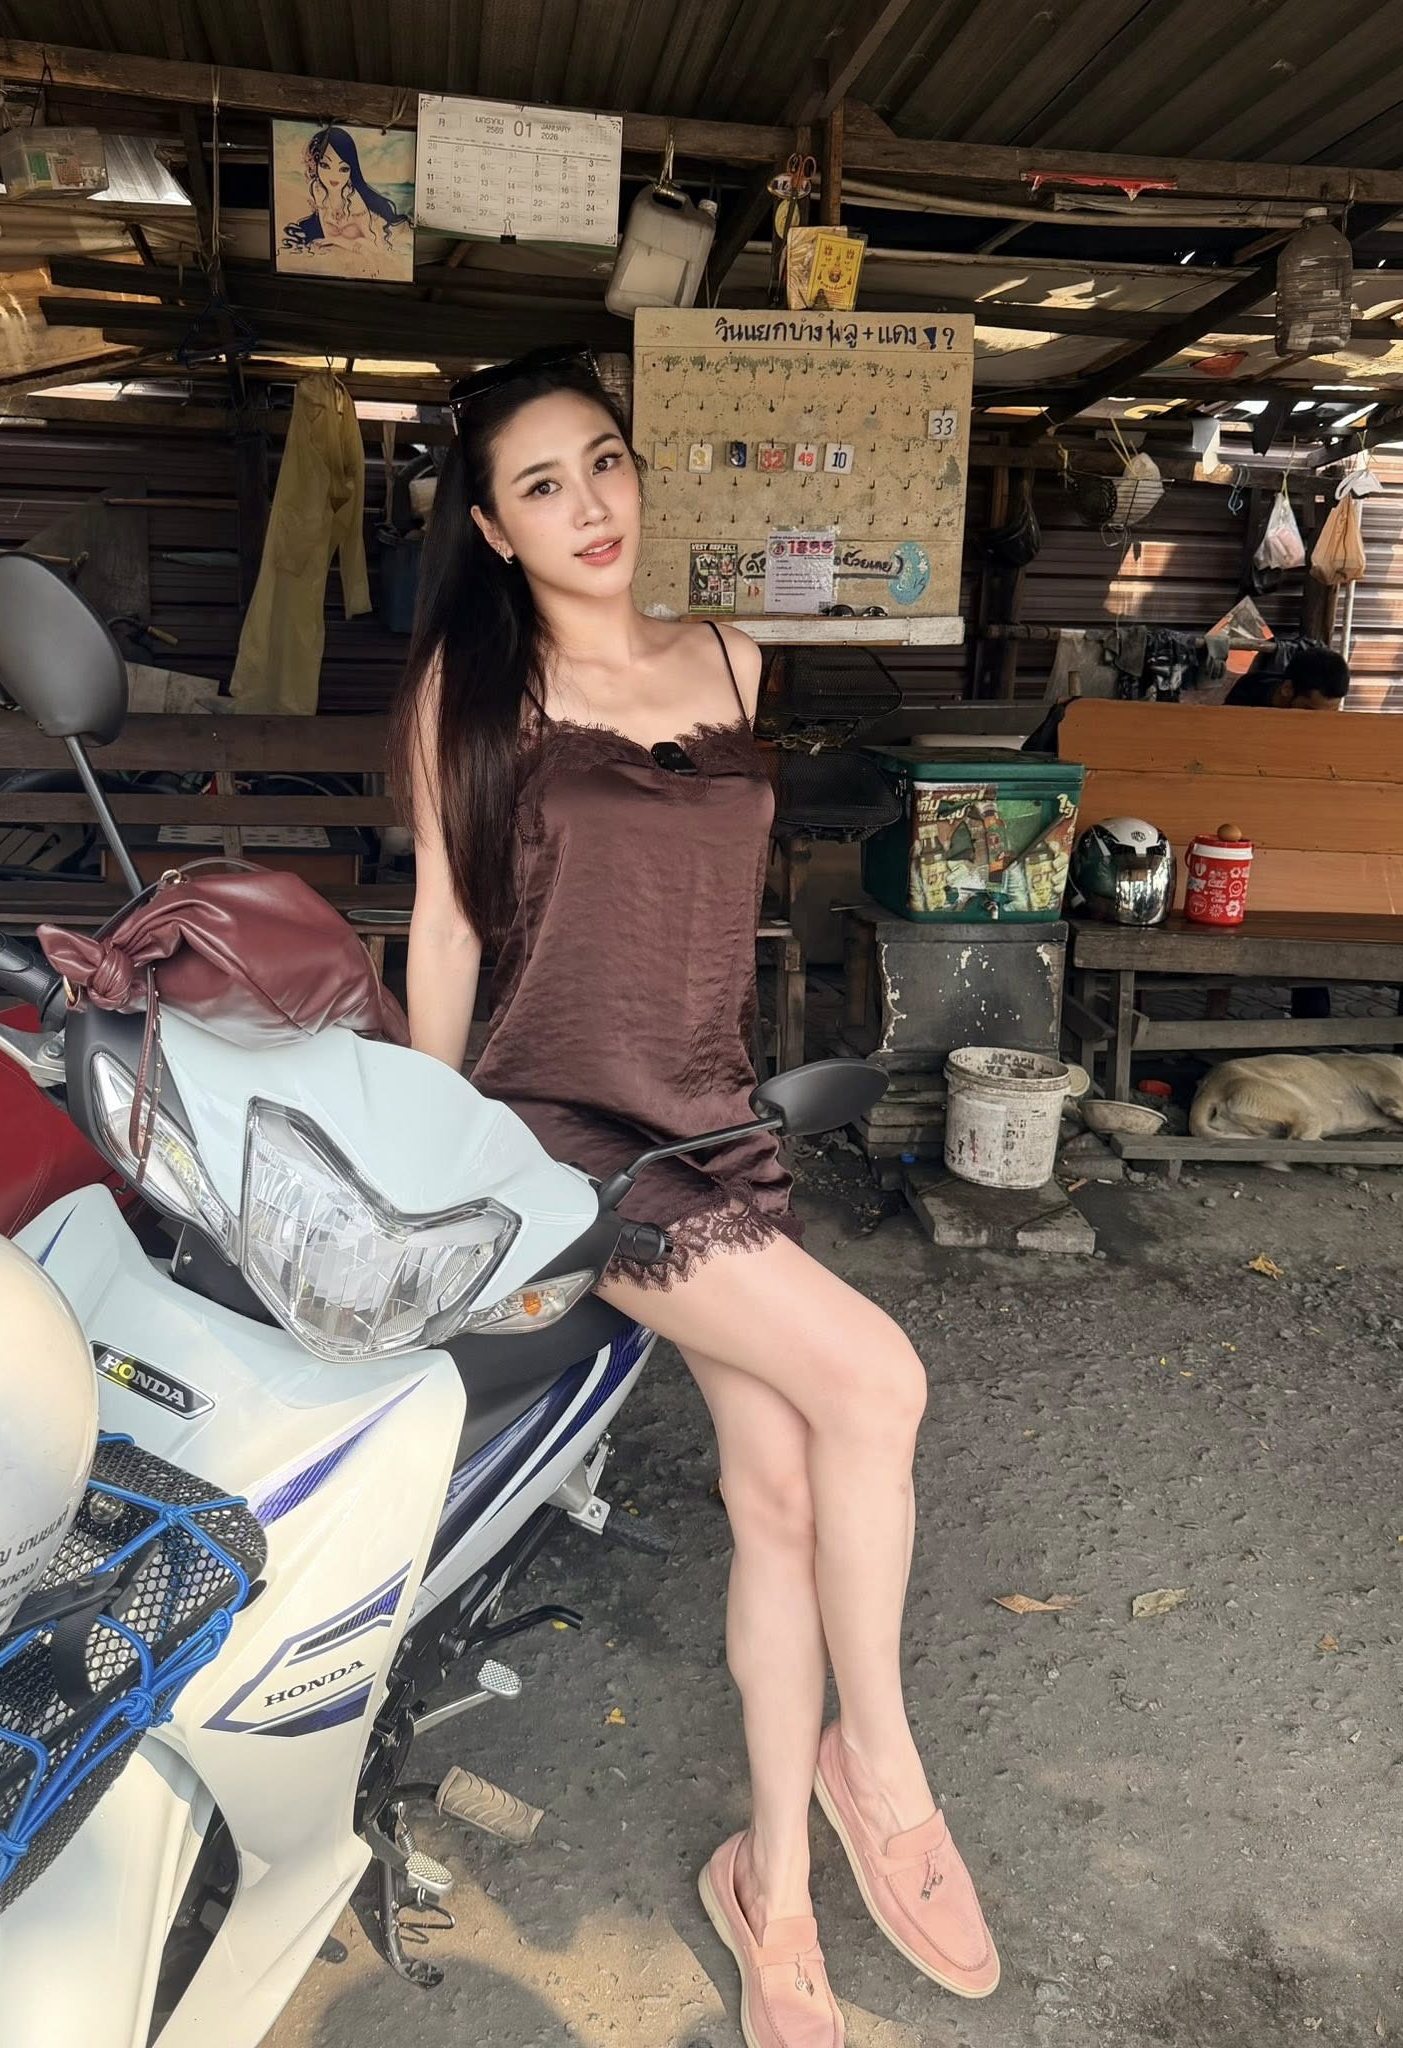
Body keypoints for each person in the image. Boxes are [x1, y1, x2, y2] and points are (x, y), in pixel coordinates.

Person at [391, 345, 999, 2044]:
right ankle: (881, 1769)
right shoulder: (473, 691)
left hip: (712, 1122)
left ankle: (774, 1892)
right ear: (494, 529)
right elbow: (445, 928)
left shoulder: (733, 651)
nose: (589, 504)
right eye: (541, 485)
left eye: (605, 460)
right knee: (879, 1378)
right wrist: (438, 1174)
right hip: (565, 1130)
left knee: (784, 1491)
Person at [281, 125, 410, 254]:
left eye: (343, 169)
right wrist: (332, 240)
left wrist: (338, 241)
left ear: (351, 171)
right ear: (315, 164)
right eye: (325, 165)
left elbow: (377, 248)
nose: (334, 176)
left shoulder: (355, 200)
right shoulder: (317, 187)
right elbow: (327, 234)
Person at [1223, 642, 1349, 709]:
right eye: (1310, 711)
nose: (1320, 722)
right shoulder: (1245, 695)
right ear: (1287, 689)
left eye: (1333, 711)